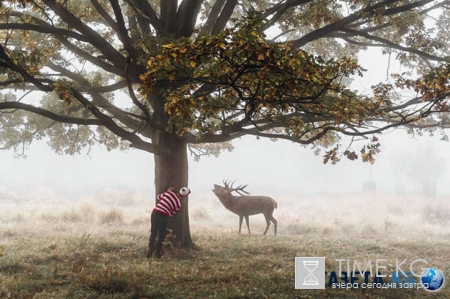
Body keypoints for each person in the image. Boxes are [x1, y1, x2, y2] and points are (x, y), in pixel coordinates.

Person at [147, 186, 191, 258]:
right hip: (163, 216)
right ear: (185, 196)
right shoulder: (178, 204)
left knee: (153, 232)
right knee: (162, 234)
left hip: (155, 212)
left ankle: (150, 250)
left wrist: (167, 192)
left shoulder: (169, 193)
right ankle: (158, 252)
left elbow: (158, 197)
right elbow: (171, 214)